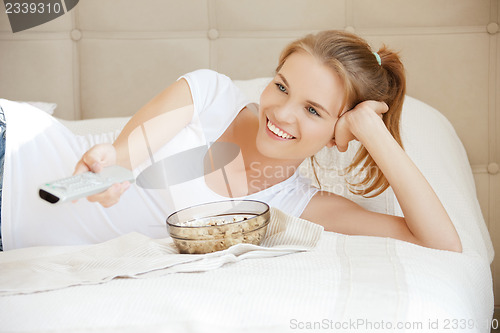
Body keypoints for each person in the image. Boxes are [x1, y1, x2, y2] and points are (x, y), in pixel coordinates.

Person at [0, 30, 462, 252]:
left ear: (338, 134)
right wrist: (111, 164)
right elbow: (127, 153)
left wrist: (372, 132)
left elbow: (442, 243)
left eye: (313, 110)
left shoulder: (294, 204)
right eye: (281, 86)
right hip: (13, 149)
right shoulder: (209, 95)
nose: (280, 114)